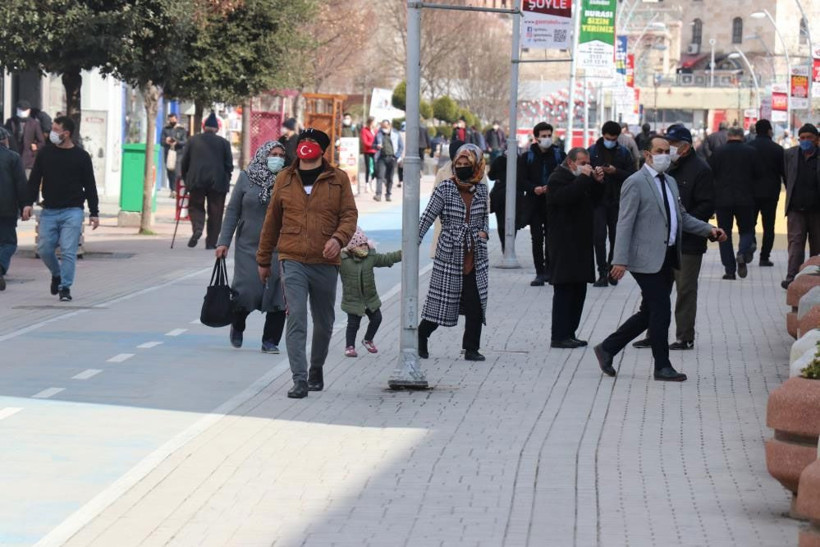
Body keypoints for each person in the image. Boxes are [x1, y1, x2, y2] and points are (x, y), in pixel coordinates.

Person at [593, 136, 726, 382]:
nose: (665, 155)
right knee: (662, 310)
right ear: (647, 154)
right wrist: (619, 260)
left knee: (649, 312)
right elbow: (624, 223)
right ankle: (662, 366)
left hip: (667, 256)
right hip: (644, 258)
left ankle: (608, 348)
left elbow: (682, 217)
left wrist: (708, 229)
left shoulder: (670, 182)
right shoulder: (635, 182)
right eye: (659, 151)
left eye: (668, 151)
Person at [256, 128, 358, 399]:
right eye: (303, 141)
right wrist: (263, 259)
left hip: (325, 261)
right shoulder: (285, 179)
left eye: (313, 142)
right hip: (292, 259)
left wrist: (339, 238)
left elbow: (349, 215)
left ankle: (316, 369)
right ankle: (299, 379)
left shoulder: (338, 179)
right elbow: (272, 220)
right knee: (297, 316)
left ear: (322, 149)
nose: (307, 146)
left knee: (324, 322)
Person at [633, 124, 714, 351]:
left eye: (673, 145)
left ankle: (684, 337)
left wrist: (679, 222)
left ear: (685, 147)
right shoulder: (664, 169)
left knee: (685, 290)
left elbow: (706, 205)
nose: (667, 151)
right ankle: (653, 333)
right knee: (654, 291)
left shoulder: (701, 170)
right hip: (661, 243)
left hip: (688, 243)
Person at [418, 143, 490, 361]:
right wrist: (414, 241)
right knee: (441, 304)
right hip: (450, 252)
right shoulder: (445, 188)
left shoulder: (481, 188)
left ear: (476, 165)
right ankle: (421, 337)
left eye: (466, 164)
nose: (461, 167)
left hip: (475, 254)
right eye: (458, 164)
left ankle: (471, 348)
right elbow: (428, 216)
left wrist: (484, 233)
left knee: (476, 302)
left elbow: (484, 218)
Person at [215, 141, 287, 353]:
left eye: (281, 155)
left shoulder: (288, 180)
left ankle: (270, 340)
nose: (278, 158)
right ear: (263, 155)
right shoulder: (247, 178)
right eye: (273, 154)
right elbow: (232, 211)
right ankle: (237, 324)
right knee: (246, 291)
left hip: (279, 247)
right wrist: (223, 242)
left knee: (279, 296)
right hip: (248, 246)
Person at [23, 116, 99, 302]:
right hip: (49, 210)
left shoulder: (81, 157)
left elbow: (90, 185)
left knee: (68, 250)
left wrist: (94, 212)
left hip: (73, 211)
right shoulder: (45, 154)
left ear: (67, 134)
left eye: (56, 130)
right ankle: (56, 274)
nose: (52, 133)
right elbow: (34, 180)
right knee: (44, 248)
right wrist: (27, 203)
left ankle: (65, 287)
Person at [545, 148, 604, 348]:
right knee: (564, 289)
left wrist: (597, 182)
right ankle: (559, 335)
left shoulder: (583, 179)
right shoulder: (557, 178)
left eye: (588, 162)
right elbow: (565, 198)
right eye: (581, 162)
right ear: (570, 162)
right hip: (563, 244)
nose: (586, 166)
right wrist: (585, 179)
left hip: (581, 243)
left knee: (579, 289)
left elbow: (596, 202)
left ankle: (570, 332)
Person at [588, 121, 636, 287]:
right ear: (603, 135)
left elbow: (632, 176)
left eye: (614, 139)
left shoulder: (623, 153)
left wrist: (615, 171)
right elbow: (584, 173)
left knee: (616, 237)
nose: (610, 141)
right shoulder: (592, 152)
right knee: (599, 238)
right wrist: (595, 173)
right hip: (598, 200)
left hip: (618, 200)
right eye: (608, 138)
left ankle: (611, 270)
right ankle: (601, 272)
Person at [340, 227, 401, 357]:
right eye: (359, 245)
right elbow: (329, 265)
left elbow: (386, 258)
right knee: (353, 325)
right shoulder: (343, 261)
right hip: (353, 300)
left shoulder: (370, 257)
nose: (363, 247)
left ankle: (368, 339)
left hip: (370, 299)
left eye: (365, 244)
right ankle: (349, 346)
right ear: (352, 247)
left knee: (377, 318)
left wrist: (402, 254)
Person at [518, 122, 565, 286]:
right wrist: (534, 189)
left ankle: (551, 271)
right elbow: (521, 180)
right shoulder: (527, 157)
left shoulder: (559, 155)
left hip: (554, 203)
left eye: (548, 136)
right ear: (536, 137)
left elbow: (567, 175)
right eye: (543, 136)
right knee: (536, 238)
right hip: (535, 203)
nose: (546, 139)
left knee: (552, 238)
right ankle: (540, 272)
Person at [708, 126, 758, 280]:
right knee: (747, 231)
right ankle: (742, 253)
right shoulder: (751, 152)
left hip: (723, 199)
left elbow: (710, 175)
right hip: (746, 198)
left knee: (724, 234)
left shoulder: (718, 153)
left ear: (728, 136)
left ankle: (729, 270)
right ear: (742, 136)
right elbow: (758, 175)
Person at [180, 111, 233, 249]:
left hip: (196, 180)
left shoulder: (192, 140)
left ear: (204, 127)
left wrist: (186, 179)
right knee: (216, 212)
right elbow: (229, 165)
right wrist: (227, 179)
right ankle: (211, 242)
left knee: (196, 206)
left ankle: (197, 228)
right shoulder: (224, 143)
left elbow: (184, 162)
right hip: (218, 182)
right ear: (217, 128)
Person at [782, 123, 820, 289]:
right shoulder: (790, 155)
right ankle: (792, 278)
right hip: (796, 209)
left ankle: (815, 277)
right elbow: (786, 176)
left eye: (809, 138)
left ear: (817, 140)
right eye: (802, 138)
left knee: (817, 245)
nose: (805, 141)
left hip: (817, 210)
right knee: (796, 244)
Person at [748, 119, 785, 267]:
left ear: (756, 131)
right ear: (770, 131)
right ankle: (764, 257)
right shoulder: (777, 149)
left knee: (750, 223)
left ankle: (751, 242)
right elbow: (784, 173)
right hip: (771, 193)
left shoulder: (748, 147)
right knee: (769, 226)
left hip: (751, 192)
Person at [0, 133, 28, 290]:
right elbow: (21, 184)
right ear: (4, 140)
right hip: (6, 208)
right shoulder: (13, 157)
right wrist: (25, 205)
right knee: (9, 243)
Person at [4, 100, 45, 176]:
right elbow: (5, 136)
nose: (22, 112)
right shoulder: (10, 121)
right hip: (12, 156)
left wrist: (36, 146)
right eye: (20, 109)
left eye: (24, 110)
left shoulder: (34, 123)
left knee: (26, 181)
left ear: (29, 111)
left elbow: (41, 141)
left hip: (28, 159)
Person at [373, 119, 403, 202]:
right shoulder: (378, 134)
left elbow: (401, 147)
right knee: (380, 176)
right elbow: (373, 145)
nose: (384, 128)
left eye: (386, 126)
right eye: (382, 126)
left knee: (390, 177)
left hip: (392, 158)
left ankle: (388, 194)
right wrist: (376, 146)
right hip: (381, 158)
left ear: (390, 126)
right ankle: (378, 194)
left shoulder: (396, 134)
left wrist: (396, 156)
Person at [160, 113, 188, 197]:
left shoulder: (181, 129)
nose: (171, 121)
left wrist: (177, 142)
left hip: (178, 154)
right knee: (170, 172)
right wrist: (166, 141)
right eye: (170, 119)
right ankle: (172, 189)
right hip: (168, 153)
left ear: (176, 119)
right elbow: (161, 141)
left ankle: (176, 190)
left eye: (173, 119)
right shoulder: (165, 129)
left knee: (177, 172)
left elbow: (185, 141)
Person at [360, 117, 378, 192]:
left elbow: (378, 139)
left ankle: (372, 182)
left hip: (375, 151)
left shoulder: (376, 130)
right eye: (374, 122)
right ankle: (366, 184)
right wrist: (373, 145)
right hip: (368, 151)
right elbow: (365, 142)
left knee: (375, 168)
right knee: (368, 168)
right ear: (370, 122)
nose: (375, 123)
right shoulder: (364, 130)